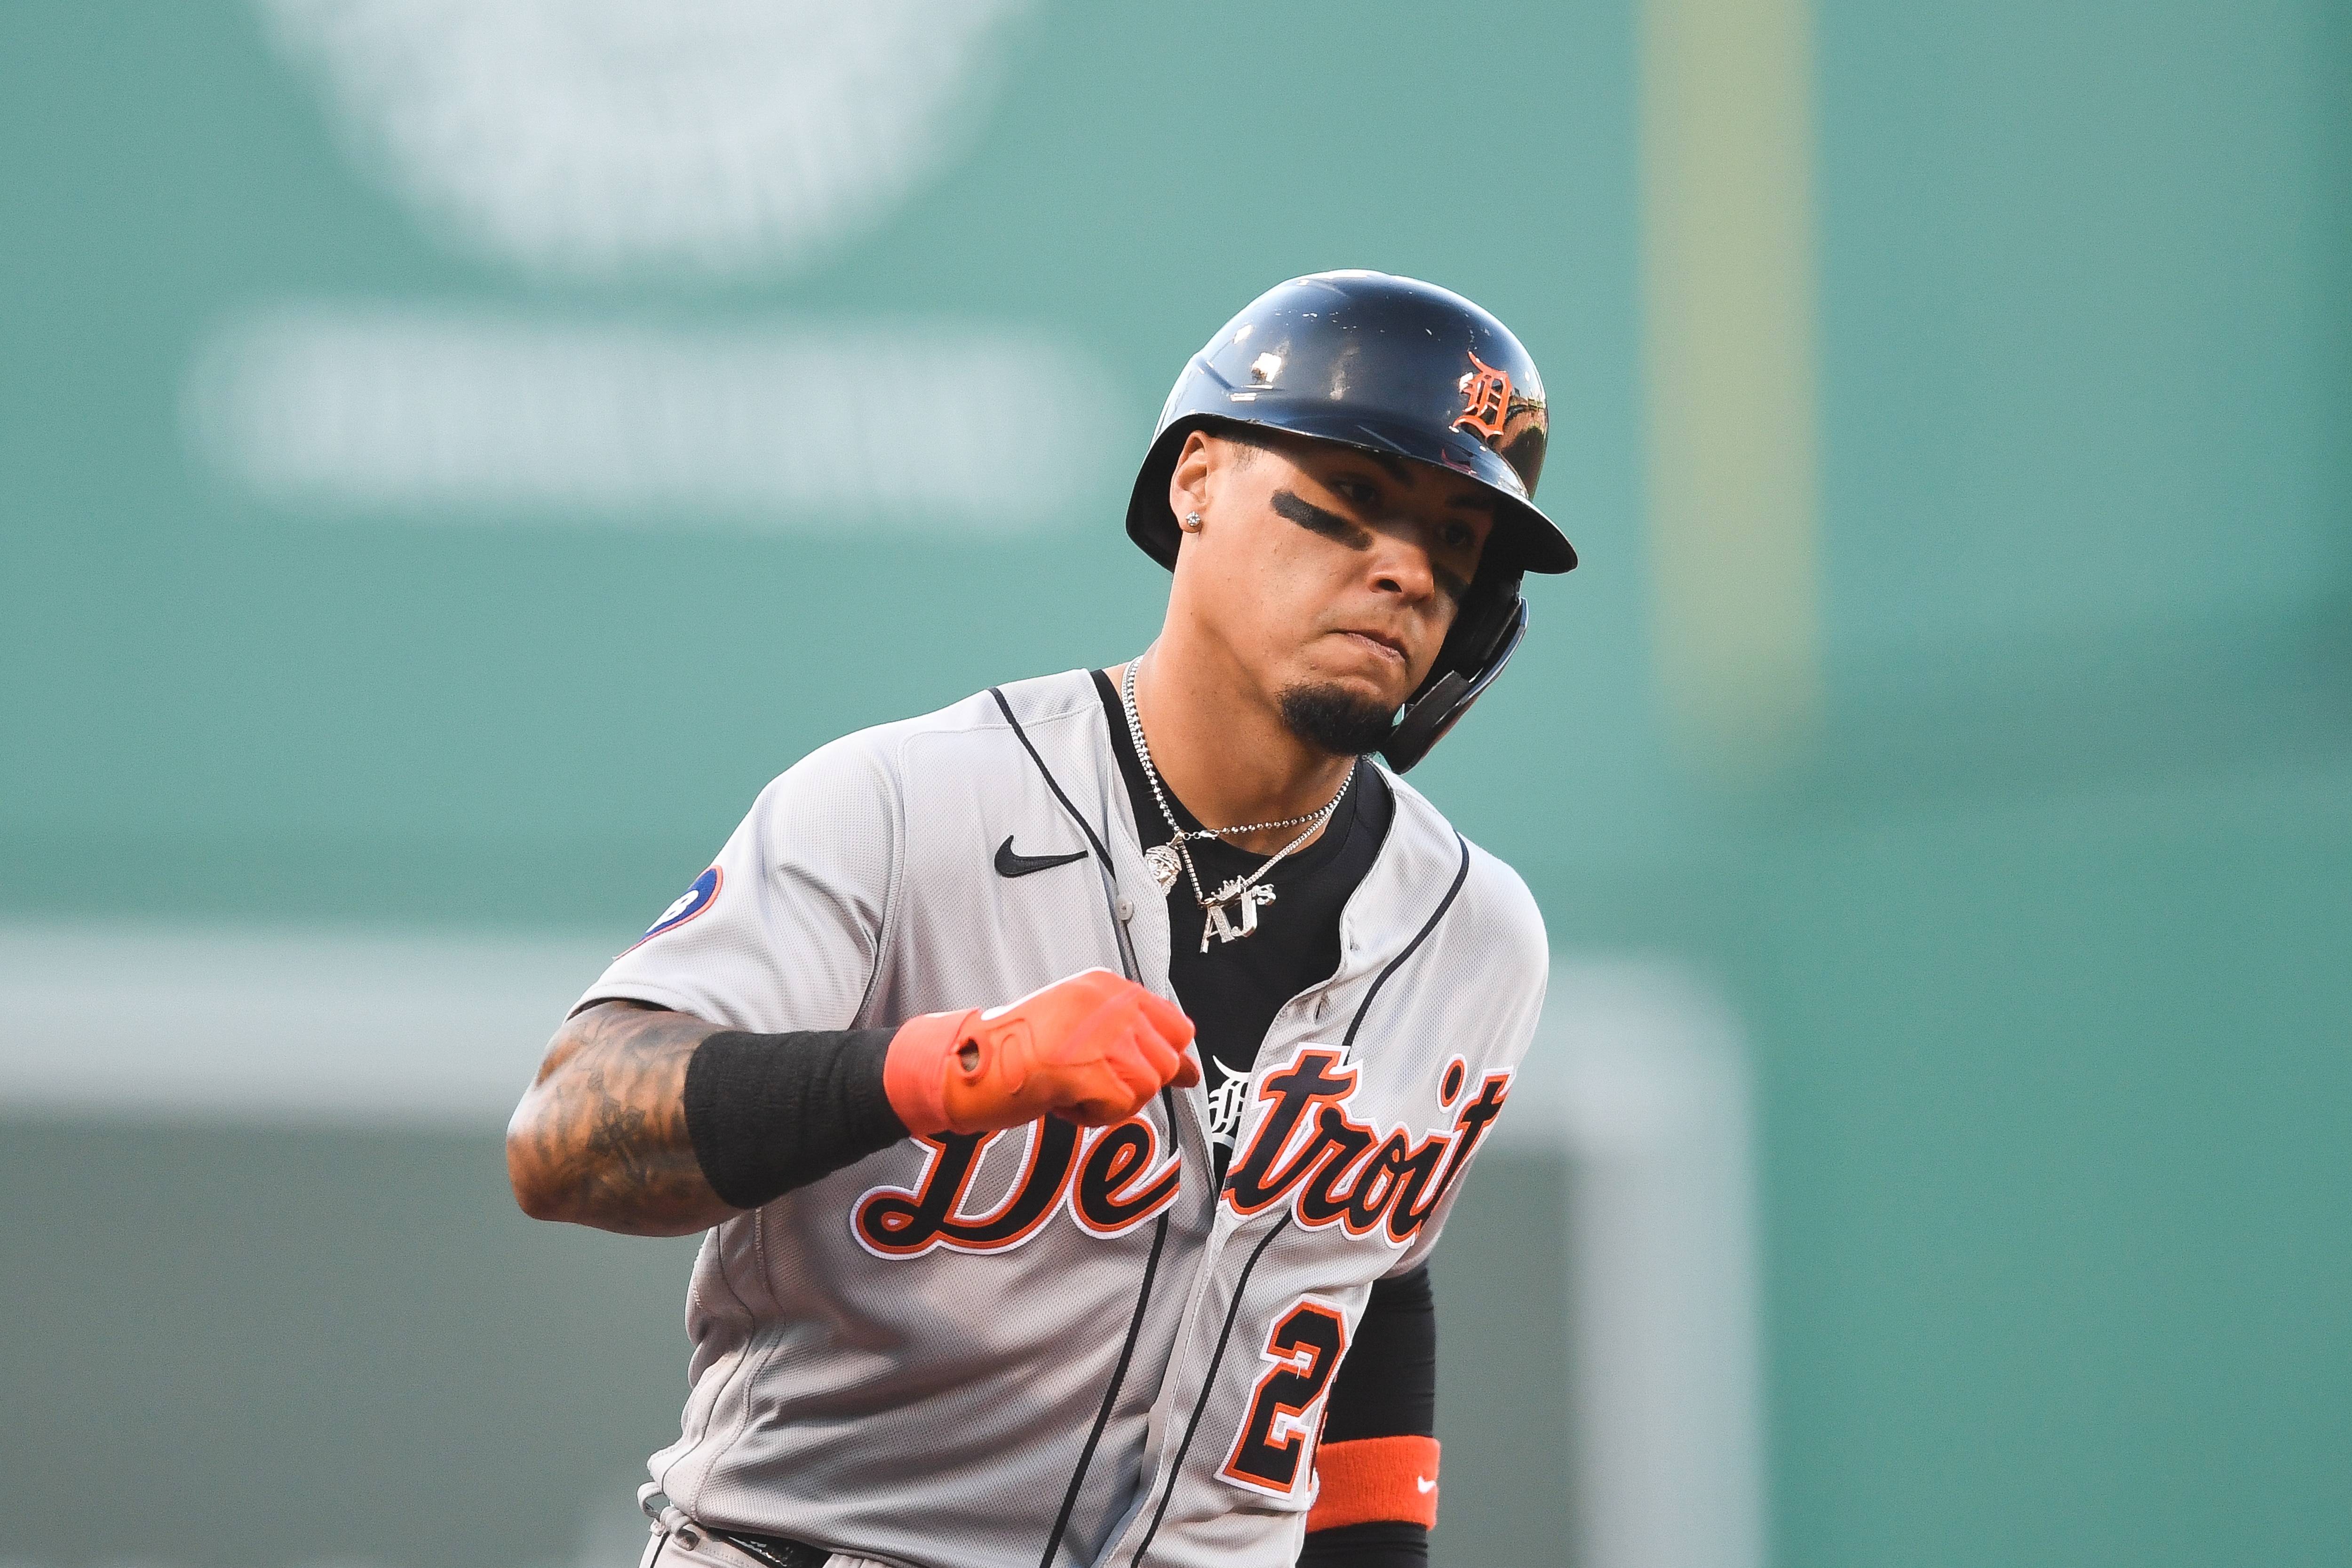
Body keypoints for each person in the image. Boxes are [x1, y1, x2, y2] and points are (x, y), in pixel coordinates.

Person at [506, 269, 1576, 1568]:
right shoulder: (909, 804)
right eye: (1355, 498)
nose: (1405, 569)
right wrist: (955, 1069)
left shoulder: (1478, 936)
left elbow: (1363, 1287)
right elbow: (567, 1136)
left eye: (1457, 544)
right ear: (1195, 482)